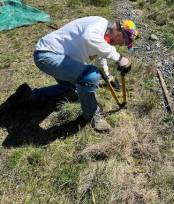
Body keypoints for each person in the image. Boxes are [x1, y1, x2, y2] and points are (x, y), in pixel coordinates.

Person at [4, 17, 139, 133]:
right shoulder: (99, 24)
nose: (120, 45)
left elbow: (100, 54)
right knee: (91, 75)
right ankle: (92, 116)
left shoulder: (103, 35)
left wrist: (108, 75)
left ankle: (29, 95)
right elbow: (89, 38)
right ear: (120, 33)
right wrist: (119, 58)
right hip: (47, 54)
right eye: (123, 42)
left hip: (58, 57)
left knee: (72, 90)